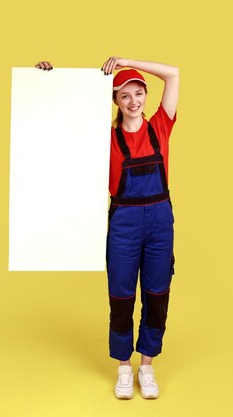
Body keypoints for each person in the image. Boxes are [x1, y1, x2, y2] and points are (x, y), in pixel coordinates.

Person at [35, 57, 179, 400]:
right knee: (121, 296)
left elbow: (173, 74)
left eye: (139, 93)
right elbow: (60, 122)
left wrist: (126, 62)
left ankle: (147, 365)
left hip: (160, 222)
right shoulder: (104, 139)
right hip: (124, 225)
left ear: (146, 95)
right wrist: (46, 80)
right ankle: (124, 368)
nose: (133, 101)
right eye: (124, 95)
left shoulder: (160, 126)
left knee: (157, 294)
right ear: (114, 101)